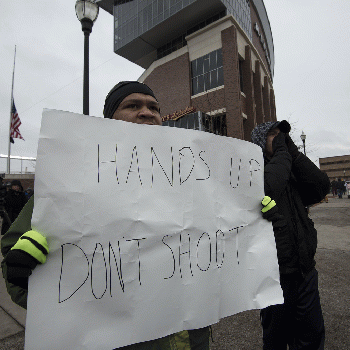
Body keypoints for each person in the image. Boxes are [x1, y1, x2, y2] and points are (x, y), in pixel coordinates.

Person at [1, 81, 210, 350]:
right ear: (109, 121)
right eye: (132, 105)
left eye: (154, 107)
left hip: (191, 338)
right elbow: (14, 259)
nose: (147, 112)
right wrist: (24, 274)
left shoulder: (188, 179)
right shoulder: (71, 181)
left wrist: (256, 214)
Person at [251, 120, 330, 350]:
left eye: (283, 135)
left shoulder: (292, 168)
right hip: (274, 276)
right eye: (273, 135)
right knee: (276, 339)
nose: (280, 140)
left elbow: (320, 187)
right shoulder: (252, 170)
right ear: (259, 141)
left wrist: (293, 153)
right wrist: (283, 154)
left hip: (305, 270)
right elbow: (268, 187)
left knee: (311, 337)